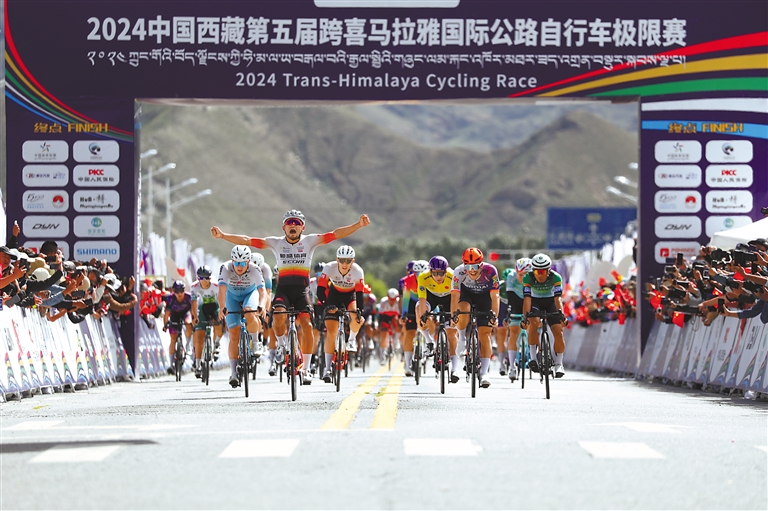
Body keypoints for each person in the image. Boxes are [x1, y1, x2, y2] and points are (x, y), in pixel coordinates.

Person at [211, 210, 370, 385]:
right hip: (284, 291)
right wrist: (223, 236)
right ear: (283, 227)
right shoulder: (276, 243)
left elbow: (336, 234)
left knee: (307, 325)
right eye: (289, 223)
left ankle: (306, 369)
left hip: (302, 291)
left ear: (303, 227)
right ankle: (281, 344)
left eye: (297, 223)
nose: (293, 225)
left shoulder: (310, 241)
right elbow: (247, 240)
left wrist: (358, 225)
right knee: (278, 317)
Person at [217, 245, 267, 388]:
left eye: (243, 263)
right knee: (234, 334)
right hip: (231, 297)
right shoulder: (225, 267)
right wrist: (222, 307)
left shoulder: (255, 269)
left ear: (248, 262)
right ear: (232, 261)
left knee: (249, 311)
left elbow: (262, 291)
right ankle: (233, 372)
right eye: (237, 263)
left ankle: (256, 341)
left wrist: (262, 305)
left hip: (250, 294)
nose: (239, 267)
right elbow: (222, 290)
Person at [451, 247, 500, 388]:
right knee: (463, 310)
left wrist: (494, 316)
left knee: (485, 334)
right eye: (468, 266)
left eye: (475, 266)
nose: (472, 270)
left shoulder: (491, 271)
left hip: (485, 298)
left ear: (481, 264)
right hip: (466, 295)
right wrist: (454, 316)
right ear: (464, 265)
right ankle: (462, 338)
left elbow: (495, 296)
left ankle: (484, 373)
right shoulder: (458, 272)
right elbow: (454, 297)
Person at [317, 245, 366, 383]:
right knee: (331, 332)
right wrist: (327, 305)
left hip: (350, 296)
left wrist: (359, 311)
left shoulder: (358, 271)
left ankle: (351, 340)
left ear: (353, 261)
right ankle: (327, 369)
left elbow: (360, 294)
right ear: (337, 259)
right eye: (342, 260)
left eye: (348, 261)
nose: (345, 264)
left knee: (356, 317)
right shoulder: (329, 267)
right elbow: (320, 290)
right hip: (334, 296)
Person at [520, 253, 568, 378]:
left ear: (548, 270)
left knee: (558, 332)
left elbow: (558, 299)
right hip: (535, 302)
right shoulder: (528, 278)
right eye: (537, 272)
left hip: (551, 302)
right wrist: (525, 317)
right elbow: (527, 299)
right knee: (533, 323)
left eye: (542, 272)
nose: (540, 275)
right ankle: (533, 358)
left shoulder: (556, 277)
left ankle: (559, 364)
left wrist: (561, 315)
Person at [415, 255, 461, 383]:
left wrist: (453, 316)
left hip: (449, 298)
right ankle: (429, 341)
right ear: (430, 272)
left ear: (446, 271)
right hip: (432, 296)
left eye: (441, 273)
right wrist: (423, 316)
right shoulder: (423, 277)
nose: (438, 277)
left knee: (452, 333)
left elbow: (455, 298)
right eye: (435, 273)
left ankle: (455, 369)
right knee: (419, 309)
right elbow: (422, 299)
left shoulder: (453, 276)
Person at [190, 265, 224, 379]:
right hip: (202, 308)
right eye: (201, 278)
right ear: (198, 278)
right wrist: (195, 317)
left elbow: (220, 300)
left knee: (219, 322)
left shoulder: (215, 285)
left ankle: (217, 343)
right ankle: (198, 365)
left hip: (214, 306)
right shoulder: (194, 286)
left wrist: (221, 313)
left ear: (210, 277)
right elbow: (194, 303)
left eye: (207, 278)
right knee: (199, 337)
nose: (204, 281)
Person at [400, 259, 429, 377]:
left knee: (430, 321)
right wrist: (404, 314)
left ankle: (429, 344)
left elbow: (434, 297)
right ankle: (407, 364)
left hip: (426, 300)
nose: (420, 275)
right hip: (412, 302)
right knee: (409, 333)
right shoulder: (408, 280)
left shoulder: (430, 279)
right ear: (414, 273)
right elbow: (406, 299)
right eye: (417, 273)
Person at [505, 258, 531, 382]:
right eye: (519, 274)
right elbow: (510, 298)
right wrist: (510, 313)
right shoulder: (511, 277)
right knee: (514, 332)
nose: (522, 277)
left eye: (525, 275)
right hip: (516, 300)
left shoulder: (534, 278)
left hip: (530, 298)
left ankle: (534, 355)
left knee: (534, 325)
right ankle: (512, 367)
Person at [163, 280, 193, 375]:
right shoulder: (170, 298)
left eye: (181, 291)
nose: (179, 294)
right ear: (173, 291)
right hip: (175, 315)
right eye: (177, 291)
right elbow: (167, 313)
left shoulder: (189, 297)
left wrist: (194, 321)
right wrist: (165, 325)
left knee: (188, 323)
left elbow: (193, 311)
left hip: (186, 313)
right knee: (173, 338)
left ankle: (188, 344)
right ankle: (171, 364)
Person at [378, 288, 400, 363]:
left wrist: (398, 326)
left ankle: (396, 341)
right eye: (390, 299)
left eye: (394, 299)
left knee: (398, 327)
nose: (392, 301)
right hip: (385, 317)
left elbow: (399, 315)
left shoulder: (399, 302)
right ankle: (382, 355)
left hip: (394, 317)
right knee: (384, 335)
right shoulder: (383, 301)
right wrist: (380, 325)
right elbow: (380, 315)